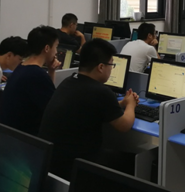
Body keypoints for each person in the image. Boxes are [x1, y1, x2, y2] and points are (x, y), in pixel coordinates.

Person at [38, 39, 139, 180]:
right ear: (101, 67)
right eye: (112, 65)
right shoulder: (100, 91)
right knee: (133, 160)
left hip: (52, 162)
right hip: (75, 165)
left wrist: (121, 103)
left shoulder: (69, 81)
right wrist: (131, 104)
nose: (112, 69)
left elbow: (91, 104)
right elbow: (125, 125)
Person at [0, 26, 61, 135]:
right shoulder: (36, 75)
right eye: (56, 47)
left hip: (10, 134)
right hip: (26, 138)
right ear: (47, 48)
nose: (56, 52)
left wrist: (51, 71)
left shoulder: (21, 67)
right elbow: (53, 111)